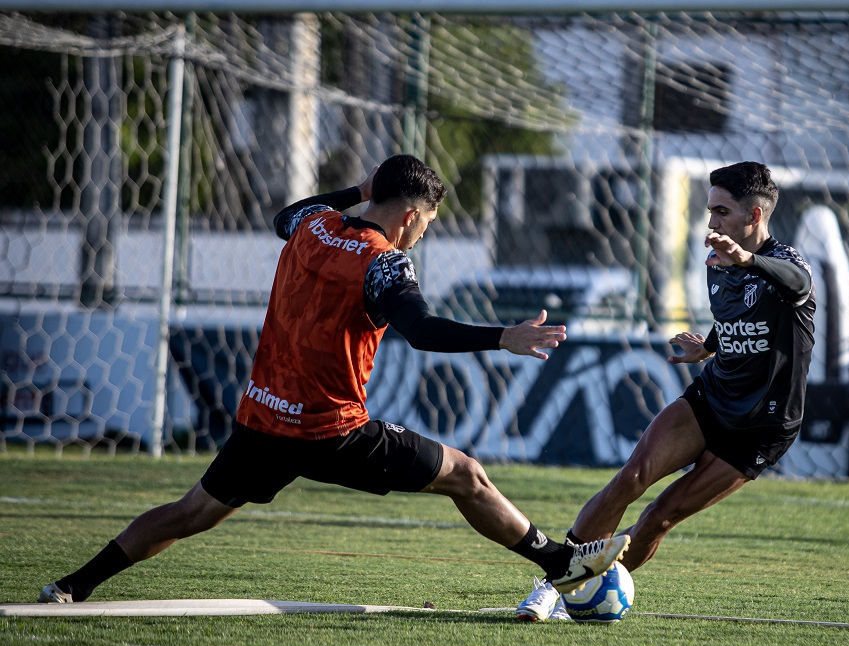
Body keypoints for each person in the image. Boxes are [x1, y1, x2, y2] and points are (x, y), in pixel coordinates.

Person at [38, 154, 628, 605]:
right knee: (466, 474)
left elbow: (282, 215)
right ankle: (557, 561)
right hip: (330, 432)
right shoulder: (384, 262)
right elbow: (420, 331)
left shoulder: (310, 225)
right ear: (410, 216)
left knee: (191, 512)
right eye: (427, 224)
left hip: (264, 418)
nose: (424, 234)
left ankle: (73, 586)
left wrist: (358, 191)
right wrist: (502, 336)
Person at [516, 160, 815, 621]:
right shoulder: (717, 261)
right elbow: (740, 318)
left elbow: (799, 287)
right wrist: (710, 347)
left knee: (660, 514)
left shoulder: (786, 264)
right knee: (631, 477)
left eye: (721, 211)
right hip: (712, 399)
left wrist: (748, 260)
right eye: (709, 210)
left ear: (754, 216)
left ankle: (590, 594)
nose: (711, 222)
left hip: (763, 427)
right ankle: (555, 584)